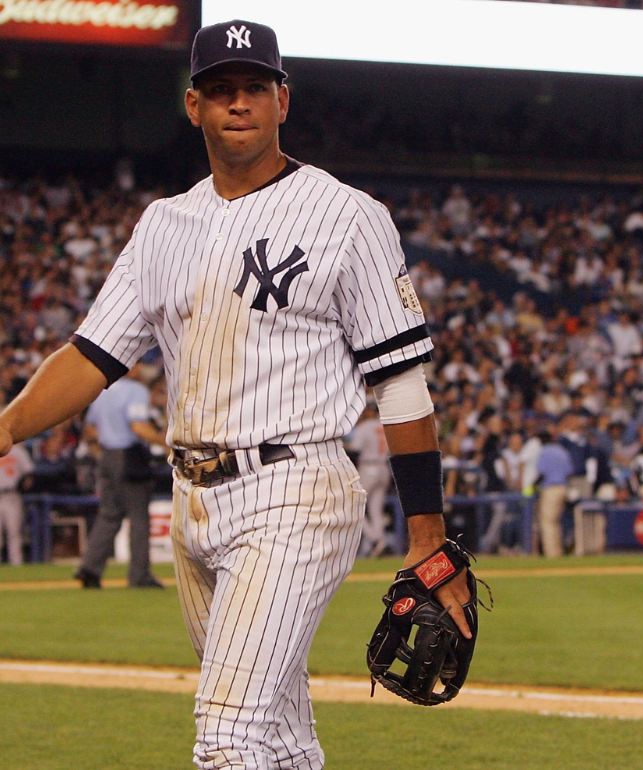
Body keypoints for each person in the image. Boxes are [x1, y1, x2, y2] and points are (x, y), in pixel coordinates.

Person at [0, 19, 470, 770]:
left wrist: (425, 534)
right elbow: (92, 354)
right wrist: (8, 426)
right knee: (278, 743)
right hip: (193, 501)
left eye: (255, 87)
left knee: (226, 734)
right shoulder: (163, 225)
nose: (239, 103)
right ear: (194, 106)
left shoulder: (347, 215)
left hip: (295, 489)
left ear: (283, 100)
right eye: (222, 90)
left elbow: (402, 384)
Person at [74, 363, 166, 588]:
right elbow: (138, 426)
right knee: (138, 517)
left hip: (106, 455)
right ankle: (139, 575)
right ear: (131, 369)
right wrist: (167, 444)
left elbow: (90, 428)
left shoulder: (103, 390)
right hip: (128, 455)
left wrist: (100, 450)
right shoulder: (136, 391)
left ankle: (89, 568)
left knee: (109, 514)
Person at [348, 404, 391, 557]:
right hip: (384, 467)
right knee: (375, 509)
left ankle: (374, 539)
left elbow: (354, 449)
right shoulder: (385, 426)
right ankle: (381, 541)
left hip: (368, 467)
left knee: (353, 504)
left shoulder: (365, 426)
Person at [0, 405, 33, 566]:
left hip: (11, 495)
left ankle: (16, 564)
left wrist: (23, 485)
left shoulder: (17, 451)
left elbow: (29, 474)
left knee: (14, 534)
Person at [534, 423, 574, 557]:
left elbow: (542, 473)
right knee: (556, 522)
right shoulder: (561, 451)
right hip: (563, 487)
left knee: (548, 522)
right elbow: (569, 471)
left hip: (550, 488)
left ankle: (552, 553)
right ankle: (558, 550)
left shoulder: (545, 451)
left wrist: (533, 486)